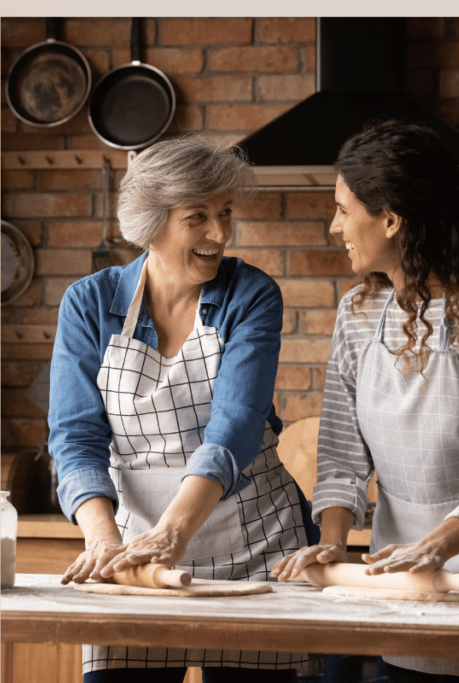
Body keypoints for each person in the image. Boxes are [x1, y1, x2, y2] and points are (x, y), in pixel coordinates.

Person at [271, 121, 459, 683]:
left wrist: (435, 548)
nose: (334, 226)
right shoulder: (358, 313)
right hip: (395, 582)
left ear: (391, 220)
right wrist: (330, 544)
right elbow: (342, 453)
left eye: (345, 210)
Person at [48, 136, 319, 682]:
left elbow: (236, 426)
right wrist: (104, 540)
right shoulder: (90, 303)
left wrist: (175, 531)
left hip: (255, 546)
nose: (219, 234)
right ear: (152, 223)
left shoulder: (251, 294)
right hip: (135, 553)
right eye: (198, 217)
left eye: (225, 214)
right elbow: (75, 437)